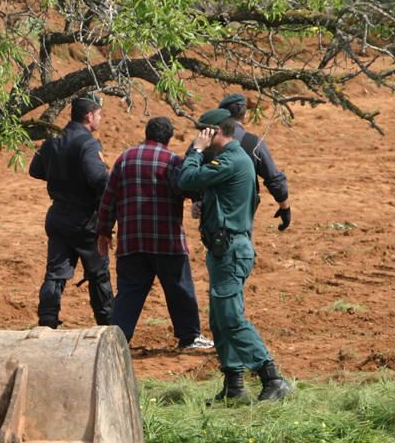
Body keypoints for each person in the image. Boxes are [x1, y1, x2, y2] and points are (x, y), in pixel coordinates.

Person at [177, 111, 293, 401]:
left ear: (215, 132)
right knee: (219, 319)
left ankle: (271, 376)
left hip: (230, 250)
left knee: (231, 317)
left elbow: (187, 179)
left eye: (202, 132)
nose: (198, 137)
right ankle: (234, 385)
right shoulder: (231, 159)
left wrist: (196, 151)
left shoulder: (231, 158)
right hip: (223, 249)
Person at [96, 117, 213, 350]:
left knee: (129, 292)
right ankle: (189, 337)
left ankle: (117, 340)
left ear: (146, 133)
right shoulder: (172, 161)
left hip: (132, 241)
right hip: (167, 241)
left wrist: (104, 232)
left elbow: (108, 198)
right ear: (169, 138)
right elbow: (186, 187)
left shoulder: (124, 159)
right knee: (180, 289)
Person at [29, 94, 113, 329]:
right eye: (99, 115)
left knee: (55, 274)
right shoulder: (88, 143)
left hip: (57, 216)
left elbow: (35, 169)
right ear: (89, 116)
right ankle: (108, 325)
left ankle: (47, 322)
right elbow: (99, 179)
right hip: (84, 220)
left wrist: (59, 175)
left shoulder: (54, 138)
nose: (100, 119)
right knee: (98, 275)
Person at [213, 93, 291, 230]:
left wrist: (197, 200)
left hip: (211, 212)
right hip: (242, 214)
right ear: (244, 115)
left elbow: (188, 171)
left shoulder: (206, 139)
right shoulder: (254, 143)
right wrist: (285, 207)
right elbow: (274, 179)